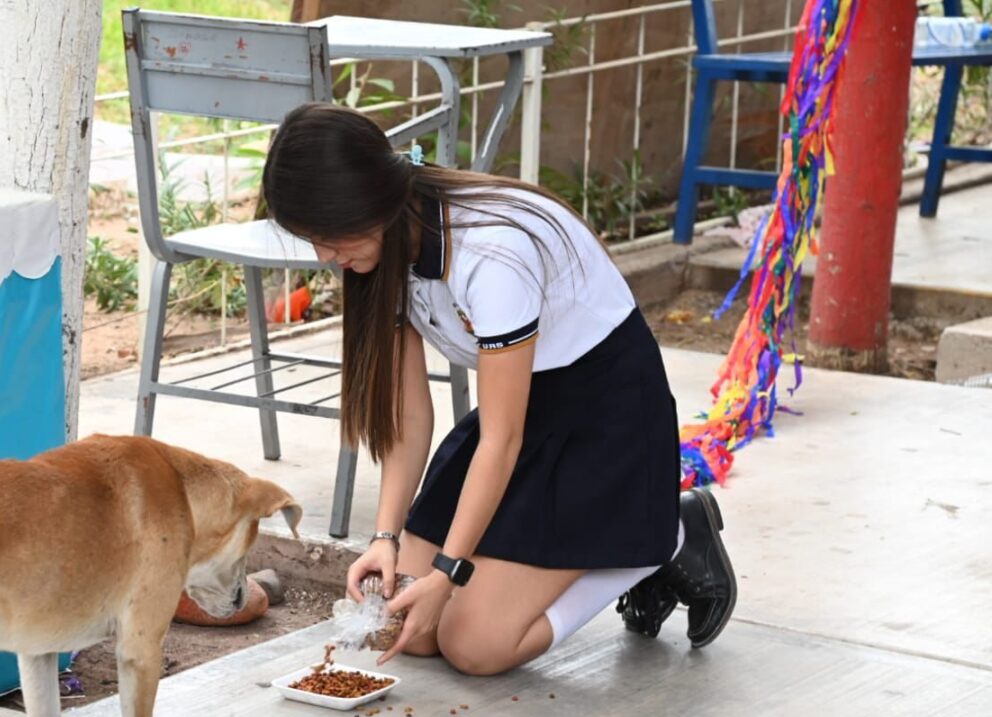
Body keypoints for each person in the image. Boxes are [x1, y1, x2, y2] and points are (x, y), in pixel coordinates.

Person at [259, 103, 736, 675]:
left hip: (604, 424)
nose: (324, 257)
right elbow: (409, 417)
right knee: (410, 627)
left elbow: (502, 440)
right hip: (521, 414)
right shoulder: (382, 248)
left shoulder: (492, 253)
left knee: (475, 646)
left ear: (370, 202)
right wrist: (385, 537)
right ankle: (614, 537)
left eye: (327, 235)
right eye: (311, 239)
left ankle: (663, 534)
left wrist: (449, 572)